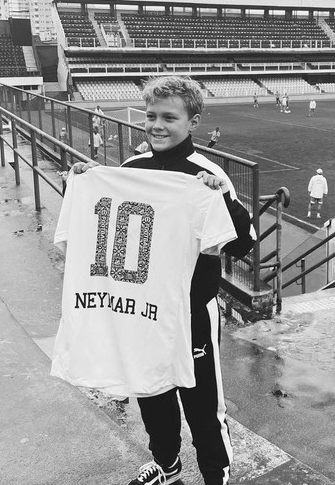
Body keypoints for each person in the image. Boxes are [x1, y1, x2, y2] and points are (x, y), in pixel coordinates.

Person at [65, 76, 255, 485]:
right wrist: (88, 182)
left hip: (191, 311)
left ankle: (215, 475)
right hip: (145, 308)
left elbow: (243, 245)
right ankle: (167, 467)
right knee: (151, 392)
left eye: (170, 117)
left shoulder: (208, 175)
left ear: (193, 122)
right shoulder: (132, 169)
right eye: (151, 116)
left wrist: (220, 198)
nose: (156, 125)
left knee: (203, 405)